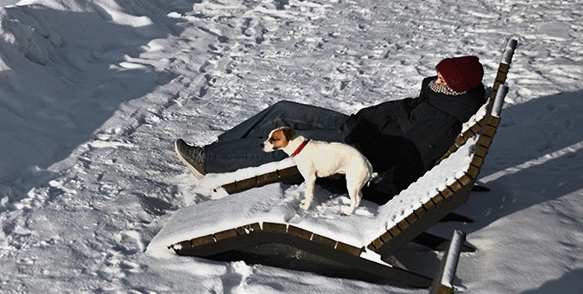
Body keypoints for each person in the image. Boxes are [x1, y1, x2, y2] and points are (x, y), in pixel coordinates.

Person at [174, 55, 488, 199]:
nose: (436, 78)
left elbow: (411, 160)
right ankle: (221, 151)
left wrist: (364, 186)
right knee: (283, 109)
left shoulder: (442, 118)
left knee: (290, 145)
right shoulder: (442, 98)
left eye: (443, 78)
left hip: (357, 148)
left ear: (457, 87)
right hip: (359, 128)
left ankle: (208, 161)